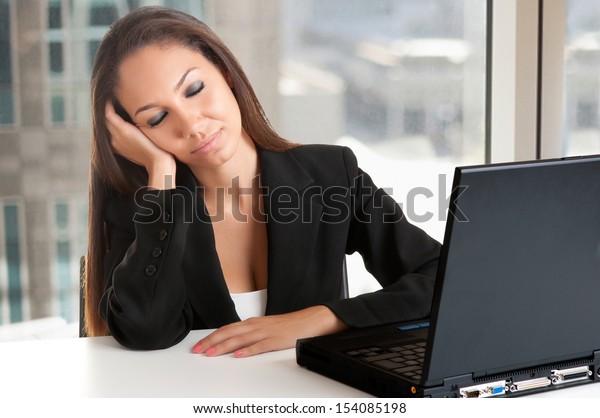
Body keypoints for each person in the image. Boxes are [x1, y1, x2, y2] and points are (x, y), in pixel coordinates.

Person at [85, 6, 441, 357]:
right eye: (158, 117)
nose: (191, 125)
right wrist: (160, 169)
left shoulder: (330, 175)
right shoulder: (145, 210)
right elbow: (146, 331)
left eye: (194, 89)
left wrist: (323, 319)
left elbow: (441, 277)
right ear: (133, 133)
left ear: (224, 71)